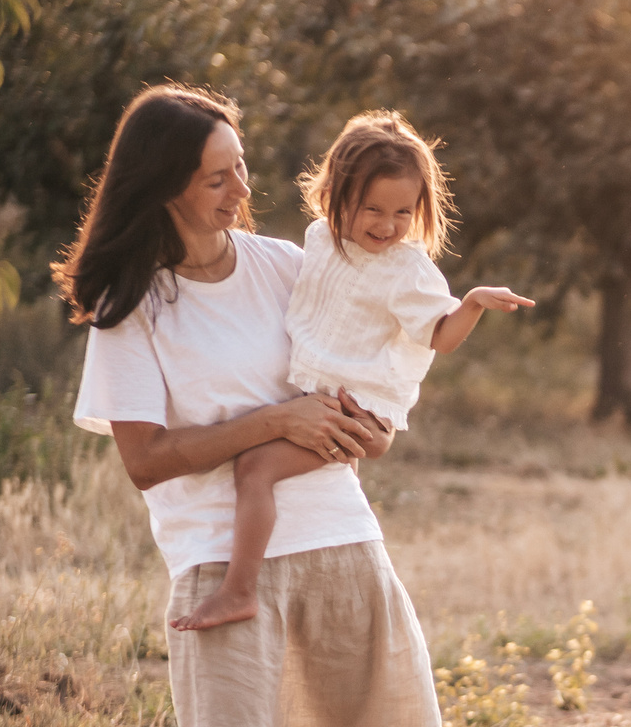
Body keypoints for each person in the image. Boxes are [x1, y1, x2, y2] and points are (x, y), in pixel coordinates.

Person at [64, 84, 449, 727]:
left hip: (340, 536)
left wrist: (367, 427)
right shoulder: (133, 308)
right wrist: (275, 422)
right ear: (164, 184)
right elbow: (147, 460)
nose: (242, 188)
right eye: (217, 176)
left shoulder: (290, 265)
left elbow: (371, 369)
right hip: (216, 555)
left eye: (239, 166)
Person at [169, 111, 532, 632]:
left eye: (403, 212)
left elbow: (441, 336)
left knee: (254, 469)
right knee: (322, 482)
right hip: (322, 396)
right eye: (372, 209)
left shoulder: (406, 269)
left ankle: (238, 591)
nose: (387, 225)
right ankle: (326, 583)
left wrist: (471, 302)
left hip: (359, 410)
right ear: (338, 195)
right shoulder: (321, 238)